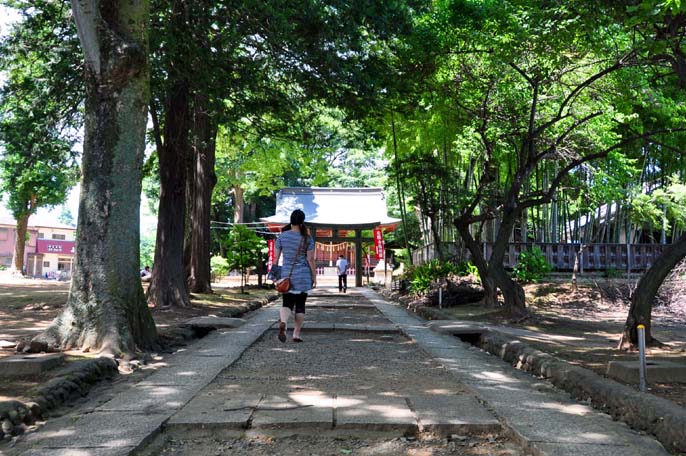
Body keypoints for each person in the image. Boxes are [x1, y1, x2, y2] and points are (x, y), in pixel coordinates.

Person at [273, 209, 316, 343]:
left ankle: (284, 323)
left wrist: (274, 276)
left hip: (287, 275)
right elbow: (310, 260)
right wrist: (314, 277)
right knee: (300, 305)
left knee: (287, 302)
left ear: (291, 220)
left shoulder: (282, 237)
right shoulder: (307, 238)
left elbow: (275, 259)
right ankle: (296, 334)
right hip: (303, 276)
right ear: (302, 222)